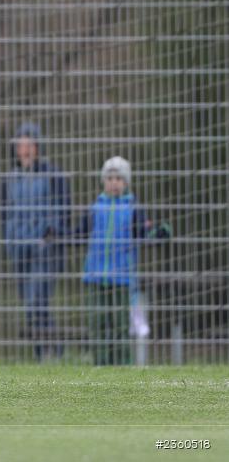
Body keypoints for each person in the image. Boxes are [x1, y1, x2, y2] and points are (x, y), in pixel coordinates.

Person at [76, 156, 170, 366]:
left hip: (122, 278)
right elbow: (78, 234)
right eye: (110, 178)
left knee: (119, 325)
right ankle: (100, 364)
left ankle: (122, 366)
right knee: (97, 324)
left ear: (126, 182)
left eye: (119, 178)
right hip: (95, 277)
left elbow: (143, 234)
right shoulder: (95, 208)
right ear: (103, 181)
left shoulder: (133, 208)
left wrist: (158, 233)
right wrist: (58, 234)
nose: (114, 182)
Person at [2, 122, 70, 361]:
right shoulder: (10, 178)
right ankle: (42, 352)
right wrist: (9, 241)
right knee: (29, 307)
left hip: (45, 250)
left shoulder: (53, 174)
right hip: (19, 248)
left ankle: (55, 350)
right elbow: (6, 212)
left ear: (38, 147)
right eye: (21, 144)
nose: (25, 149)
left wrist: (52, 235)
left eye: (30, 143)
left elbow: (63, 211)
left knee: (38, 301)